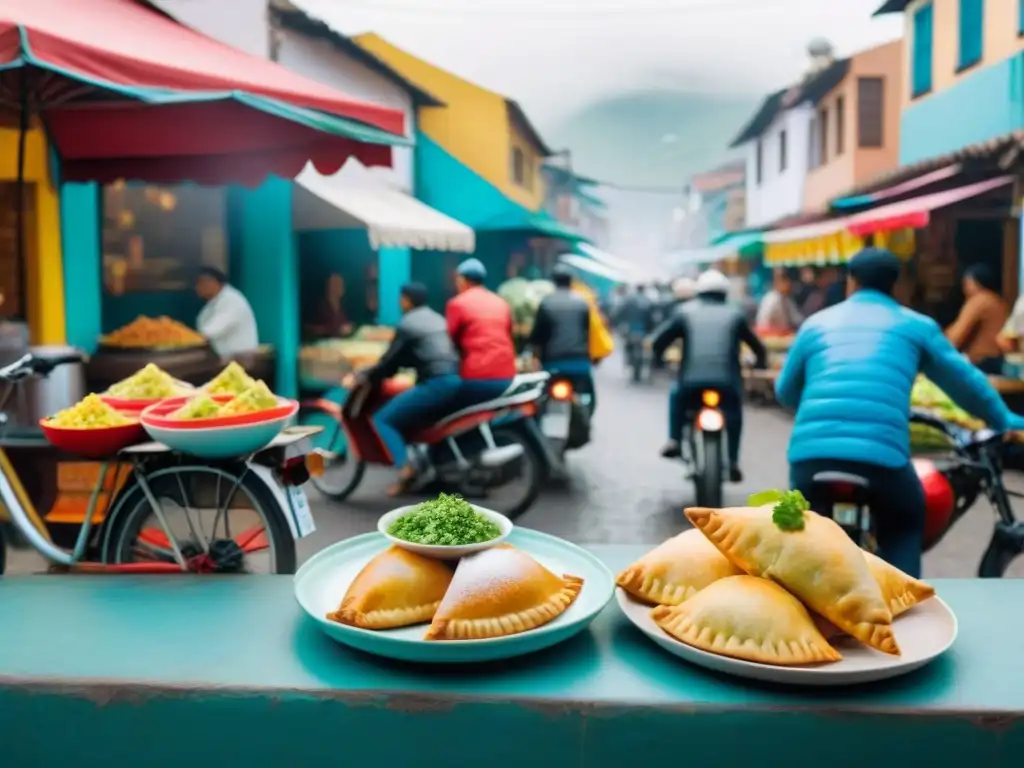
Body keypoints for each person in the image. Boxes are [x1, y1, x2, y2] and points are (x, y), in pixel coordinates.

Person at [776, 248, 1024, 578]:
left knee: (803, 534)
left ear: (851, 281)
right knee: (906, 520)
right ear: (898, 285)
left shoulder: (815, 325)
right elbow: (965, 384)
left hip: (811, 459)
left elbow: (785, 391)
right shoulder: (916, 326)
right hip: (882, 462)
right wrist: (1003, 420)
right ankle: (904, 606)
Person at [651, 269, 767, 481]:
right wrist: (760, 363)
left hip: (690, 382)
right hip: (728, 383)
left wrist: (658, 361)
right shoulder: (736, 314)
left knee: (677, 396)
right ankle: (732, 461)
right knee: (734, 413)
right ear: (724, 293)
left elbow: (659, 341)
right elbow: (758, 348)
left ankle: (674, 440)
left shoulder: (683, 312)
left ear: (699, 292)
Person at [346, 282, 462, 495]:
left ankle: (406, 469)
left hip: (436, 383)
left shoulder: (408, 323)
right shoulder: (438, 319)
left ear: (407, 299)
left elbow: (389, 361)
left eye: (401, 299)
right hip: (455, 379)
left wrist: (365, 374)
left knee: (382, 419)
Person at [446, 258, 518, 406]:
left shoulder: (457, 303)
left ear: (462, 280)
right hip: (507, 376)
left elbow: (449, 341)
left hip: (475, 377)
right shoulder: (501, 302)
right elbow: (510, 333)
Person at [529, 264, 594, 408]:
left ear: (554, 281)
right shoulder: (582, 302)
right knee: (588, 398)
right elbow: (586, 333)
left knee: (540, 399)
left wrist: (534, 356)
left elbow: (538, 335)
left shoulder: (546, 302)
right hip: (579, 363)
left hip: (552, 363)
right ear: (571, 281)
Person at [944, 264, 1008, 375]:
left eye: (966, 283)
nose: (964, 289)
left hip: (981, 363)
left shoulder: (979, 300)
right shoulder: (999, 302)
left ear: (974, 282)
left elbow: (956, 337)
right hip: (999, 362)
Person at [195, 266, 259, 357]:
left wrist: (191, 339)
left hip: (240, 360)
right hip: (224, 358)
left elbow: (211, 331)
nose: (197, 288)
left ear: (213, 282)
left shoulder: (231, 300)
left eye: (201, 283)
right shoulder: (211, 304)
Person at [755, 268, 803, 334]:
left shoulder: (787, 299)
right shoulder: (770, 299)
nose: (788, 285)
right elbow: (763, 323)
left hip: (784, 335)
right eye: (785, 281)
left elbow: (797, 319)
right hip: (770, 336)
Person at [308, 273, 353, 339]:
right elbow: (311, 329)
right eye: (337, 284)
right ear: (329, 287)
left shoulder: (341, 306)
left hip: (339, 343)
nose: (342, 287)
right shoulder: (321, 306)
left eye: (342, 284)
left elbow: (343, 326)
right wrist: (336, 330)